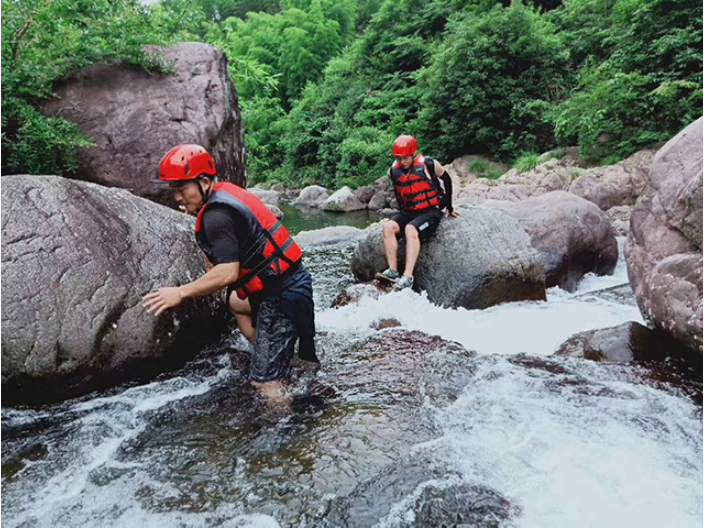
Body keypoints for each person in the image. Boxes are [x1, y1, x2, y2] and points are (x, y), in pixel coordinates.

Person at [143, 144, 318, 406]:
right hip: (288, 284)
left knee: (264, 382)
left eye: (182, 189)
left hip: (282, 296)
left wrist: (179, 292)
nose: (178, 197)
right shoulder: (223, 195)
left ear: (203, 182)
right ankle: (271, 351)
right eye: (174, 190)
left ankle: (288, 436)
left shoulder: (216, 216)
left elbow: (227, 273)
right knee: (236, 302)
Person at [375, 134, 460, 290]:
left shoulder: (429, 164)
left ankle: (408, 276)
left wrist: (449, 206)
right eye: (399, 158)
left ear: (413, 154)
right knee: (388, 227)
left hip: (430, 212)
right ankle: (393, 271)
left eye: (405, 158)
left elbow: (446, 180)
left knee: (410, 228)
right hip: (409, 212)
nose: (402, 162)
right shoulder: (393, 172)